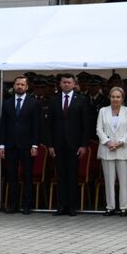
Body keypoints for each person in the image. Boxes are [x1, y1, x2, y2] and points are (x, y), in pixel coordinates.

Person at [49, 73, 91, 216]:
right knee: (60, 176)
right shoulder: (54, 100)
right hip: (58, 143)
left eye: (69, 82)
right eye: (64, 82)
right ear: (60, 84)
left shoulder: (82, 100)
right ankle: (61, 206)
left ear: (74, 84)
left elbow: (86, 124)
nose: (66, 84)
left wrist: (83, 144)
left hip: (74, 144)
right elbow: (50, 124)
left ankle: (72, 207)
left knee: (72, 176)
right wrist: (50, 145)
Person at [0, 75, 40, 214]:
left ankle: (27, 205)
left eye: (22, 84)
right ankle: (12, 204)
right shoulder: (7, 103)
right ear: (14, 86)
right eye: (17, 84)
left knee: (27, 175)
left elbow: (36, 125)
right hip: (10, 145)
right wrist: (2, 145)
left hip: (27, 145)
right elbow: (3, 125)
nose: (19, 87)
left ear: (27, 87)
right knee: (12, 176)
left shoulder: (33, 103)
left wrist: (35, 145)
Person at [96, 87, 127, 216]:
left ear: (123, 98)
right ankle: (110, 207)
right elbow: (99, 129)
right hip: (107, 149)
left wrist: (119, 143)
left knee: (124, 181)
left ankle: (124, 207)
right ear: (109, 97)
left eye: (118, 97)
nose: (115, 99)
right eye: (113, 96)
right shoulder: (103, 111)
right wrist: (108, 142)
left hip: (123, 149)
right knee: (109, 180)